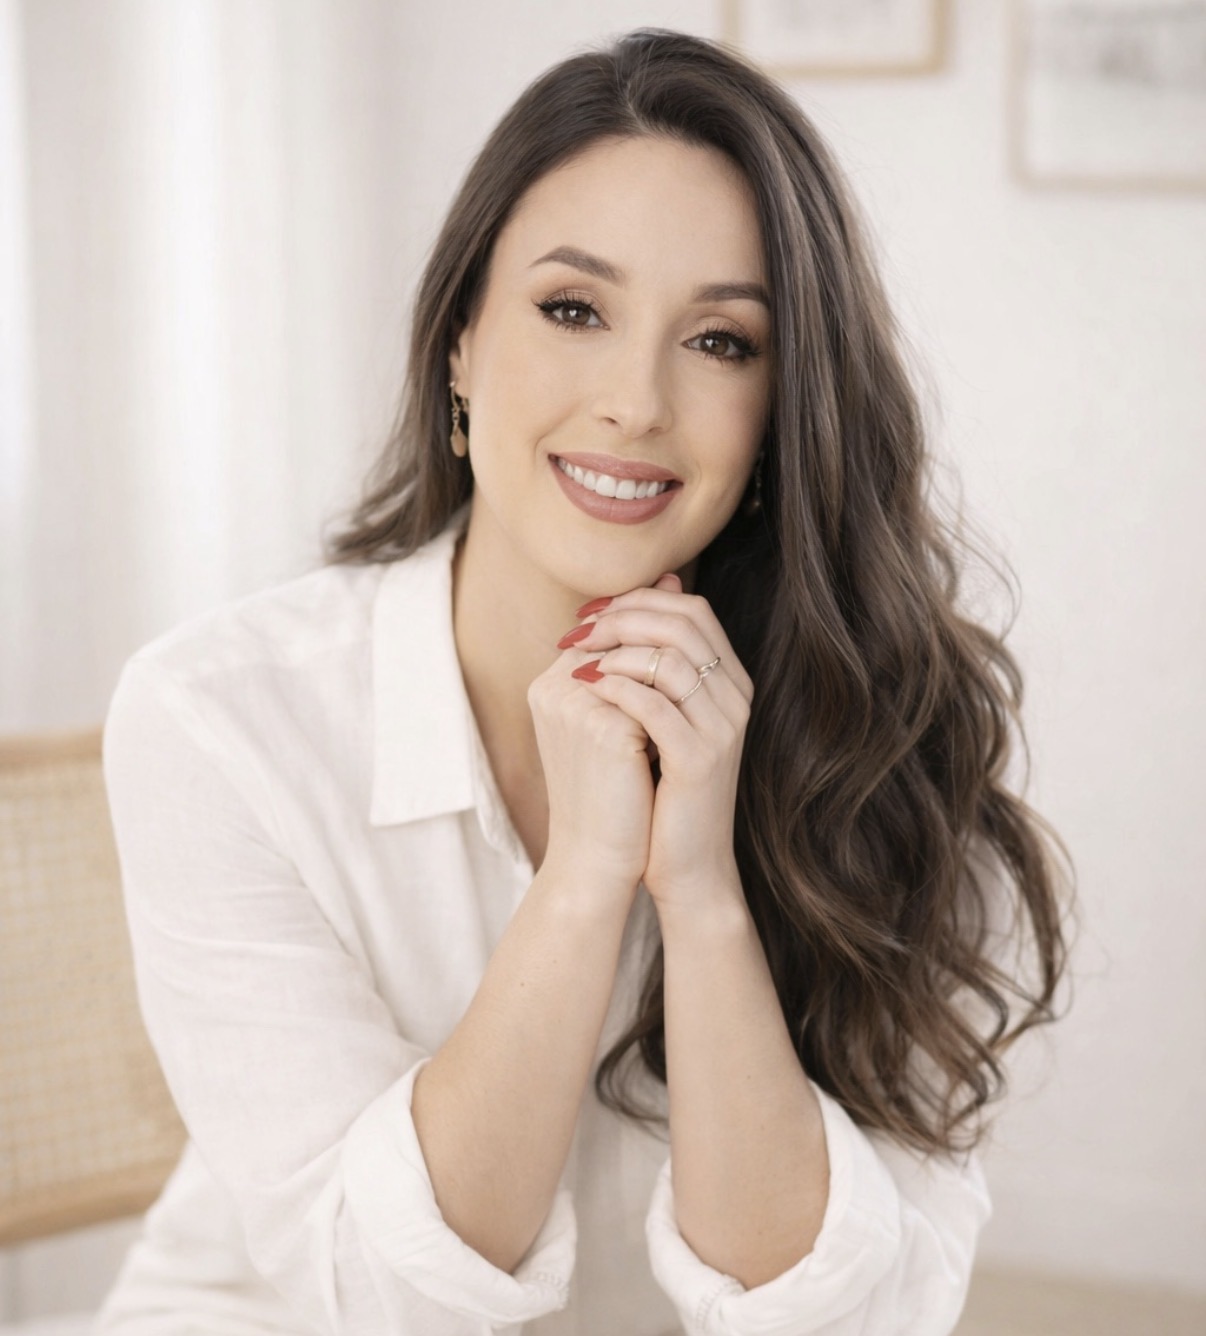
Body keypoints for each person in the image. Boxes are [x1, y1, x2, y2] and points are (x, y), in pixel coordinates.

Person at [95, 26, 1071, 1336]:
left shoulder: (887, 740)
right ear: (458, 342)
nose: (634, 401)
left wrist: (700, 890)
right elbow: (387, 1297)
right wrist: (583, 879)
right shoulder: (221, 717)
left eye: (720, 341)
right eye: (572, 310)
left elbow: (848, 1318)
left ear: (785, 408)